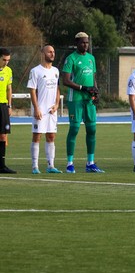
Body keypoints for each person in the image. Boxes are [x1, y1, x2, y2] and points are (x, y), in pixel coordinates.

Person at [62, 32, 104, 173]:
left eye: (87, 42)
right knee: (74, 129)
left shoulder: (91, 58)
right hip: (76, 100)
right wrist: (82, 88)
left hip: (88, 100)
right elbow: (66, 81)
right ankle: (69, 163)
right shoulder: (71, 59)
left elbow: (93, 78)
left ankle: (90, 163)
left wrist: (96, 92)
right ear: (77, 43)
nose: (85, 45)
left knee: (92, 130)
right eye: (82, 42)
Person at [27, 45, 62, 174]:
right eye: (50, 52)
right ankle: (35, 166)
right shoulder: (35, 71)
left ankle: (50, 165)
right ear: (43, 54)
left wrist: (57, 105)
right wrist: (36, 108)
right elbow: (32, 90)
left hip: (52, 110)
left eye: (53, 52)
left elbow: (58, 89)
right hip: (40, 110)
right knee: (37, 136)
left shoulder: (56, 71)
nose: (52, 54)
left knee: (51, 136)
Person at [0, 48, 16, 174]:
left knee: (3, 135)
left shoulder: (8, 71)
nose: (6, 63)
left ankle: (2, 165)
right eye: (4, 60)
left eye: (8, 60)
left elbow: (9, 89)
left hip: (3, 106)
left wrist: (9, 106)